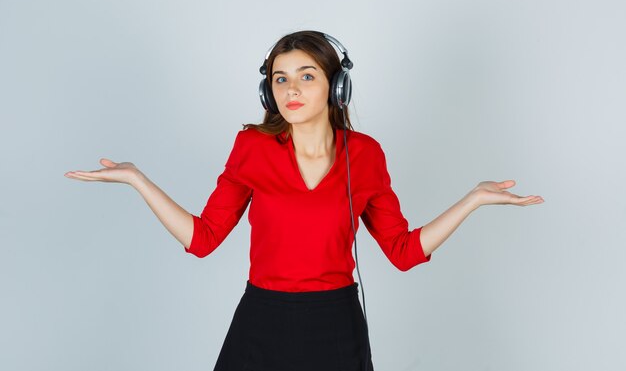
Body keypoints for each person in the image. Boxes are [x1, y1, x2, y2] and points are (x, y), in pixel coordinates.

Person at [65, 30, 544, 371]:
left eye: (307, 76)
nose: (291, 88)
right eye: (279, 78)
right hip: (261, 320)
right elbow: (203, 238)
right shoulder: (251, 147)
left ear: (336, 86)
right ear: (268, 90)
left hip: (335, 326)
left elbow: (403, 252)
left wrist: (472, 200)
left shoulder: (366, 155)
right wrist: (138, 180)